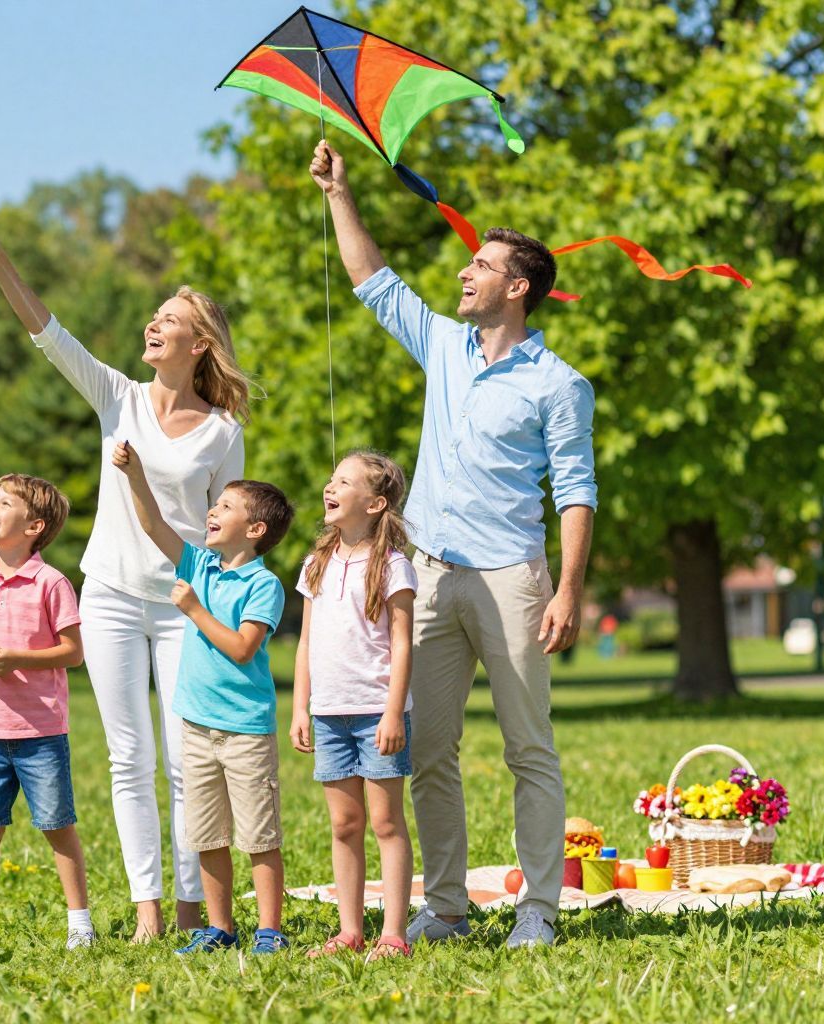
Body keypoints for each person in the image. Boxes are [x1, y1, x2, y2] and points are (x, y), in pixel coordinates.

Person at [310, 140, 598, 949]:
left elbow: (576, 492)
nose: (464, 273)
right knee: (427, 751)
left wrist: (568, 590)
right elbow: (373, 280)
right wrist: (339, 192)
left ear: (519, 287)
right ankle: (445, 908)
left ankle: (538, 907)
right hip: (429, 576)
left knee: (527, 748)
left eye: (481, 265)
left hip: (513, 579)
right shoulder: (441, 344)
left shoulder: (559, 384)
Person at [0, 222, 251, 941]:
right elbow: (48, 332)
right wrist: (1, 261)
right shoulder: (116, 397)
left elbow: (226, 533)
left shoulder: (223, 432)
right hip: (114, 599)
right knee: (129, 759)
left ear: (200, 345)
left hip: (185, 607)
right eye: (155, 318)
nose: (153, 325)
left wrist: (218, 605)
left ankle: (194, 910)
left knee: (188, 761)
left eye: (171, 322)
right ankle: (148, 913)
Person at [111, 440, 294, 955]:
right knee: (207, 836)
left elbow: (242, 648)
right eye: (216, 506)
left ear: (255, 530)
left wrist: (191, 610)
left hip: (244, 730)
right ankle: (220, 928)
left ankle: (269, 930)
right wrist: (136, 476)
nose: (213, 511)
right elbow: (154, 527)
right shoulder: (200, 564)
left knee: (258, 836)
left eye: (227, 507)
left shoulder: (263, 585)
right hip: (196, 727)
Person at [0, 474, 93, 951]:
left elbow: (72, 653)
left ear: (34, 525)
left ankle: (80, 925)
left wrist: (16, 658)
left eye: (3, 503)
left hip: (41, 732)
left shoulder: (52, 583)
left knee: (56, 826)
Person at [290, 451, 417, 961]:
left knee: (386, 823)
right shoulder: (315, 563)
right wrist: (301, 708)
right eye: (331, 476)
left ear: (375, 502)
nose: (330, 485)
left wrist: (392, 713)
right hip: (329, 713)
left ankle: (392, 933)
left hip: (376, 714)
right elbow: (304, 643)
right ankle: (349, 931)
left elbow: (404, 644)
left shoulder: (394, 566)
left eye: (344, 480)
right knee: (344, 825)